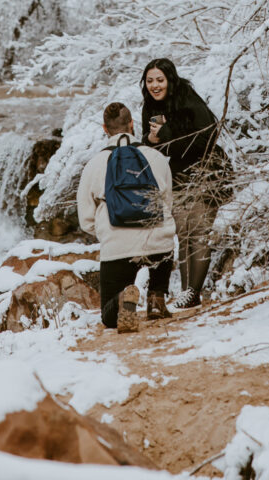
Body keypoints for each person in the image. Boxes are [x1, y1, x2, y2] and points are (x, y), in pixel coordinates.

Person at [76, 101, 176, 332]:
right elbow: (167, 203)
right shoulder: (156, 157)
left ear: (104, 128)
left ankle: (122, 300)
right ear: (132, 124)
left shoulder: (94, 164)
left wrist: (107, 231)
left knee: (108, 318)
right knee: (162, 245)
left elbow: (86, 219)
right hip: (158, 242)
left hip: (117, 245)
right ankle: (156, 298)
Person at [141, 58, 225, 310]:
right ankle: (188, 293)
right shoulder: (149, 106)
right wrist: (150, 139)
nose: (155, 85)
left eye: (160, 80)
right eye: (150, 81)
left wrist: (164, 134)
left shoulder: (187, 98)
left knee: (199, 232)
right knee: (184, 233)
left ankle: (192, 292)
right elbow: (154, 145)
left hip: (205, 171)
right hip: (177, 174)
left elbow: (208, 134)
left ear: (170, 80)